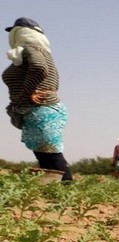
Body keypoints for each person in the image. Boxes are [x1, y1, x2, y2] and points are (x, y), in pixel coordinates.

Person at [2, 17, 72, 181]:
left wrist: (27, 92)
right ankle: (54, 187)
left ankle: (67, 188)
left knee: (51, 154)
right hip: (38, 111)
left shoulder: (31, 48)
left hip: (42, 110)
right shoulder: (36, 51)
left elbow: (39, 68)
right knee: (44, 154)